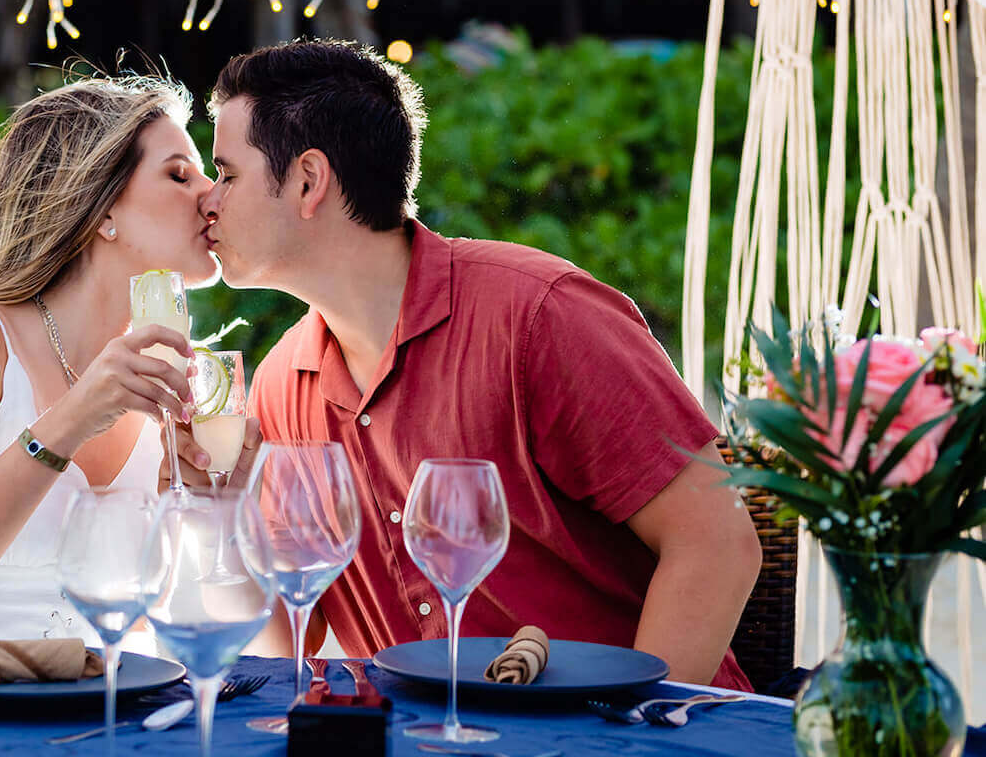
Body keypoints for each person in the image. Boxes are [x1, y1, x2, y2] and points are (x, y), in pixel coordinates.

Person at [193, 39, 762, 690]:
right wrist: (223, 508)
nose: (209, 200)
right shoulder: (278, 389)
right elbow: (287, 641)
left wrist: (637, 736)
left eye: (228, 173)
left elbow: (717, 545)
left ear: (307, 180)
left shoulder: (541, 317)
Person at [0, 75, 238, 685]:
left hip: (91, 720)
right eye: (178, 174)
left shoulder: (174, 381)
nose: (211, 194)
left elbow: (173, 625)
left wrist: (217, 513)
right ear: (101, 209)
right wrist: (69, 422)